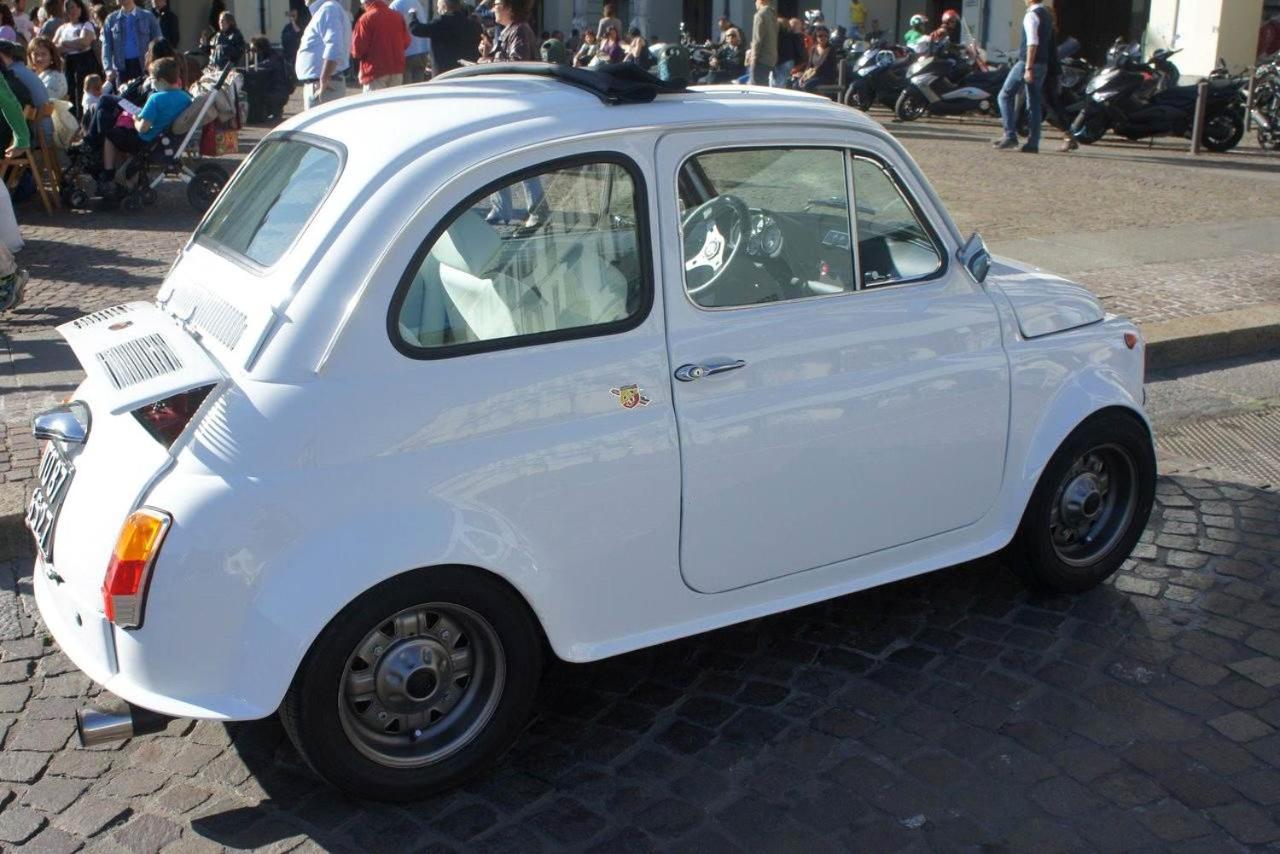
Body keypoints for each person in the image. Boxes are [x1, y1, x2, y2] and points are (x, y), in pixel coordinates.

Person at [97, 55, 188, 193]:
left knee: (110, 135)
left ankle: (109, 173)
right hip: (164, 140)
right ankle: (129, 177)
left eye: (152, 79)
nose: (151, 83)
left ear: (161, 81)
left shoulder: (155, 99)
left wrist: (135, 118)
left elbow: (142, 128)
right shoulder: (185, 97)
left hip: (145, 142)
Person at [995, 0, 1054, 154]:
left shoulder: (1031, 15)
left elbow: (1032, 43)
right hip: (1042, 63)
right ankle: (1033, 142)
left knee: (1004, 96)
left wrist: (1028, 67)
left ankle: (1010, 135)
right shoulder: (1047, 15)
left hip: (1027, 63)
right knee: (1033, 102)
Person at [295, 0, 351, 109]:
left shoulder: (328, 9)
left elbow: (334, 45)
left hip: (326, 86)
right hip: (324, 84)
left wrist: (324, 78)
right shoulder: (325, 9)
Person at [408, 0, 479, 76]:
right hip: (468, 71)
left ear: (444, 6)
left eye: (438, 6)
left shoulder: (441, 22)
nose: (438, 9)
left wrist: (412, 15)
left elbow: (416, 29)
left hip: (444, 74)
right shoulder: (472, 24)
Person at [350, 0, 407, 91]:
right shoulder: (398, 16)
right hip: (396, 69)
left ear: (366, 3)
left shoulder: (365, 18)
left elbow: (357, 50)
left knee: (375, 100)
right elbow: (406, 42)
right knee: (394, 99)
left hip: (374, 71)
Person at [54, 0, 98, 116]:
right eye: (69, 8)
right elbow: (54, 47)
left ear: (80, 9)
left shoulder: (86, 25)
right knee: (71, 91)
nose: (72, 11)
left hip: (85, 63)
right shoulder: (62, 28)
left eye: (74, 7)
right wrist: (75, 45)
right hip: (68, 64)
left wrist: (64, 43)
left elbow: (84, 42)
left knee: (84, 92)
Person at [102, 0, 160, 84]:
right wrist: (108, 69)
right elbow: (106, 46)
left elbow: (158, 42)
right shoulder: (111, 19)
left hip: (144, 67)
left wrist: (157, 64)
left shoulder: (148, 16)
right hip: (121, 69)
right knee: (122, 92)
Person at [246, 35, 291, 119]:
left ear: (260, 49)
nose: (252, 52)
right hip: (280, 93)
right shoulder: (276, 56)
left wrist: (251, 67)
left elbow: (265, 66)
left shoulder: (273, 59)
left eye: (253, 50)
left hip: (276, 94)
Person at [387, 0, 428, 83]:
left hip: (407, 52)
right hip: (421, 51)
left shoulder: (395, 5)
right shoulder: (417, 3)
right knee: (418, 86)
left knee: (406, 86)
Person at [798, 24, 835, 92]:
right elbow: (809, 65)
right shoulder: (813, 49)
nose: (823, 38)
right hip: (813, 75)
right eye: (820, 36)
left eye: (825, 36)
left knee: (807, 85)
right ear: (816, 37)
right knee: (796, 84)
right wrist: (803, 76)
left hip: (825, 77)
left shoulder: (831, 49)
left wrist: (810, 75)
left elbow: (825, 66)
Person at [749, 0, 775, 86]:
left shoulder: (760, 15)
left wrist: (753, 59)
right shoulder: (773, 14)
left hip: (761, 58)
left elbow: (757, 39)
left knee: (756, 87)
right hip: (771, 58)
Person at [771, 16, 794, 86]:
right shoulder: (791, 35)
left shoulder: (777, 36)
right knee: (780, 82)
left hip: (782, 62)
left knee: (778, 83)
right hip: (787, 61)